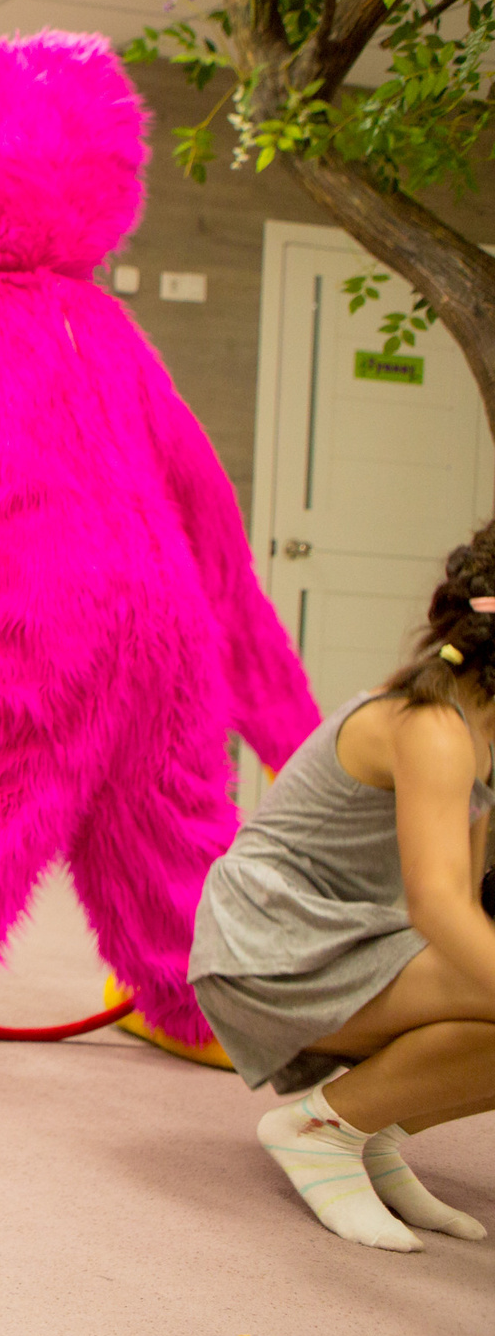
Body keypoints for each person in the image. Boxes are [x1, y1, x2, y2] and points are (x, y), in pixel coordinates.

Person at [193, 519, 495, 1250]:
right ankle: (318, 1132)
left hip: (329, 934)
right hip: (264, 937)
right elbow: (436, 903)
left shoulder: (475, 733)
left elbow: (469, 892)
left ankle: (367, 1130)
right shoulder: (431, 726)